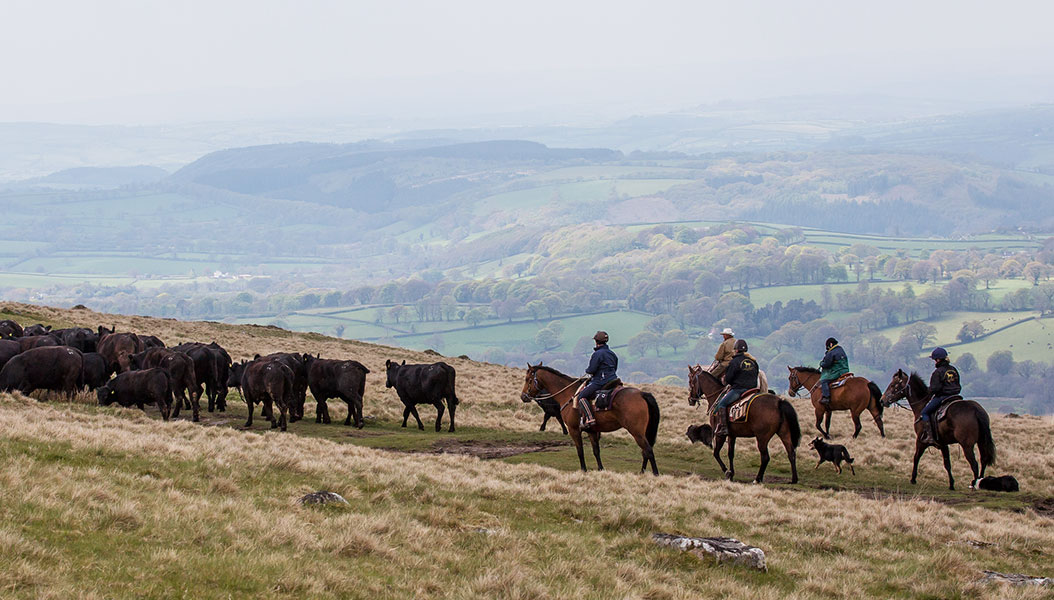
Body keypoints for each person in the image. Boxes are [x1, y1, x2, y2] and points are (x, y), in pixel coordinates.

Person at [713, 339, 758, 437]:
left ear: (736, 350)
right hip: (753, 390)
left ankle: (724, 428)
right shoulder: (753, 361)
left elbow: (728, 379)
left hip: (739, 390)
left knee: (722, 404)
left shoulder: (734, 362)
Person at [576, 331, 619, 431]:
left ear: (596, 341)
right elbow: (615, 367)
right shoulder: (612, 354)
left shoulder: (597, 354)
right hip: (613, 379)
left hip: (600, 381)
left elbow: (592, 370)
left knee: (581, 396)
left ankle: (590, 418)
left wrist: (588, 371)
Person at [919, 347, 960, 446]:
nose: (934, 362)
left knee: (924, 412)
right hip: (956, 396)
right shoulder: (953, 369)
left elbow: (935, 389)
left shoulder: (938, 372)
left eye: (934, 360)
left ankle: (929, 436)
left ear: (937, 359)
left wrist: (928, 392)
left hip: (943, 397)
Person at [818, 337, 849, 406]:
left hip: (837, 371)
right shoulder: (841, 349)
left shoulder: (831, 352)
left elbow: (827, 364)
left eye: (828, 347)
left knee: (824, 380)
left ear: (831, 344)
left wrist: (821, 364)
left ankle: (826, 397)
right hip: (845, 370)